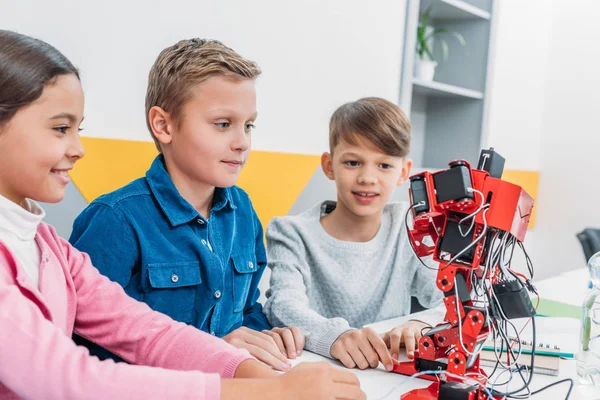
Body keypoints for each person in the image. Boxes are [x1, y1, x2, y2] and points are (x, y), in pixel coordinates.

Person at [0, 29, 364, 400]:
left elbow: (150, 332)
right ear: (164, 125)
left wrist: (267, 377)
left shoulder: (49, 246)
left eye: (78, 129)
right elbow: (75, 378)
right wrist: (272, 393)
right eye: (61, 128)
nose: (79, 149)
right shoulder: (115, 218)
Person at [69, 38, 302, 370]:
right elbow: (81, 352)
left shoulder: (243, 210)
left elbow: (246, 312)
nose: (242, 143)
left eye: (248, 125)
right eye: (223, 124)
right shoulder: (115, 221)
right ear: (163, 125)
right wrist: (210, 354)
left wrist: (269, 336)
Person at [264, 97, 443, 372]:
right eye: (352, 162)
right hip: (314, 374)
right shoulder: (290, 232)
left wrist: (423, 323)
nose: (367, 178)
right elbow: (284, 305)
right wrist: (337, 336)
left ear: (403, 172)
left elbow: (447, 298)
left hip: (385, 374)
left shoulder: (408, 226)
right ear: (329, 165)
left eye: (384, 165)